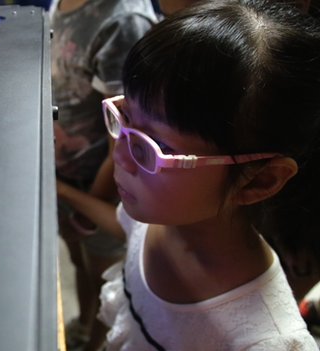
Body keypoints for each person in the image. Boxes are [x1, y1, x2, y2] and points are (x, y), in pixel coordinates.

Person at [57, 0, 320, 348]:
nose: (119, 154)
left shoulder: (264, 340)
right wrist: (60, 191)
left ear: (259, 179)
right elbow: (126, 227)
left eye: (156, 148)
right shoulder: (164, 214)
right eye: (125, 118)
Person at [50, 0, 156, 350]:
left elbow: (124, 142)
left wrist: (84, 211)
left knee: (104, 284)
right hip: (66, 178)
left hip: (100, 189)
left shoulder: (123, 21)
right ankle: (81, 328)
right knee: (80, 264)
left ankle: (93, 343)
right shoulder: (64, 5)